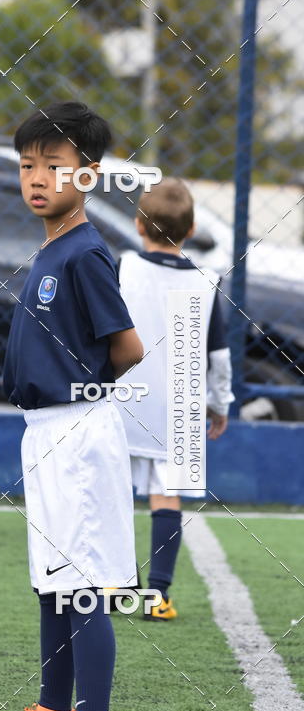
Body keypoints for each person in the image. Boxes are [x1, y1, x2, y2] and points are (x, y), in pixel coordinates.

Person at [0, 102, 144, 711]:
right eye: (27, 165)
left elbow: (128, 347)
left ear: (89, 176)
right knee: (52, 581)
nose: (37, 177)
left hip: (77, 429)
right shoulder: (49, 246)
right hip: (42, 431)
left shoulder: (87, 252)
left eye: (54, 165)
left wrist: (83, 386)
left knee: (82, 583)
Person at [118, 177, 233, 620]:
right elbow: (218, 357)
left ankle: (119, 585)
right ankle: (158, 595)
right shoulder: (207, 282)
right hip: (181, 409)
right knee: (168, 498)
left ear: (138, 225)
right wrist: (219, 404)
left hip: (126, 399)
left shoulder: (123, 266)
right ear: (192, 229)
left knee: (118, 494)